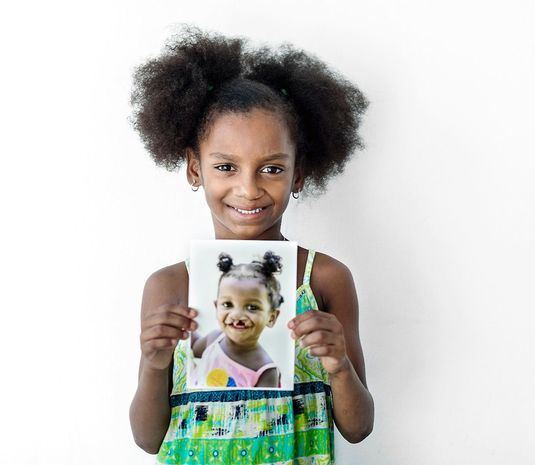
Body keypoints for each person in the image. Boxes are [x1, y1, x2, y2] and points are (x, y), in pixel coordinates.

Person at [129, 25, 374, 464]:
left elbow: (358, 428)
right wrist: (154, 362)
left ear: (299, 174)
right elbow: (148, 439)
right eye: (225, 166)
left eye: (272, 169)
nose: (247, 189)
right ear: (193, 169)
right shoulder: (168, 287)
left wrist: (338, 365)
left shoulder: (323, 278)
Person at [189, 251, 284, 389]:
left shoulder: (266, 371)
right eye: (228, 305)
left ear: (271, 317)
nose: (237, 315)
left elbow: (265, 409)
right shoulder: (214, 339)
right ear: (216, 307)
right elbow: (191, 344)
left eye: (252, 307)